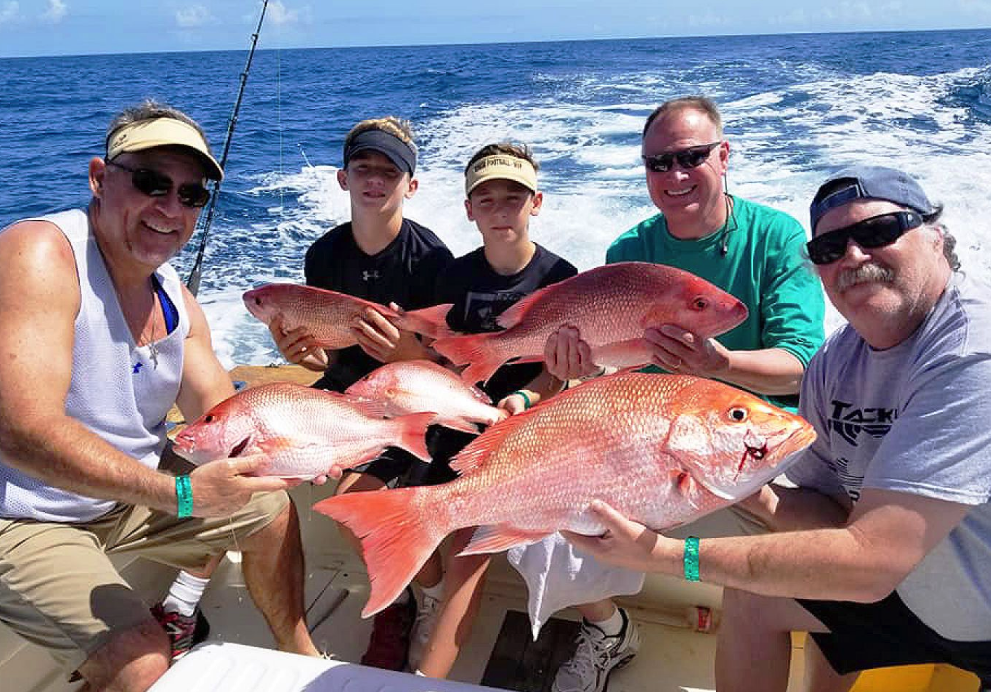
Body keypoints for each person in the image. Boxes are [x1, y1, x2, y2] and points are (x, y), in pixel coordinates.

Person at [564, 166, 991, 691]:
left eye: (879, 231)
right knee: (756, 596)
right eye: (829, 248)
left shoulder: (971, 352)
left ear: (935, 237)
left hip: (979, 625)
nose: (854, 256)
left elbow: (871, 560)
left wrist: (668, 556)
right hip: (907, 598)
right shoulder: (836, 362)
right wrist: (743, 488)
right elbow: (830, 516)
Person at [0, 100, 330, 692]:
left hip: (118, 498)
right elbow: (24, 434)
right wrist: (181, 494)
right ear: (99, 179)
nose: (171, 208)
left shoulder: (175, 297)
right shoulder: (37, 258)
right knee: (144, 658)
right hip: (5, 514)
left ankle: (301, 657)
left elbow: (224, 416)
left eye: (191, 194)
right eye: (151, 182)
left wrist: (305, 445)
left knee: (269, 509)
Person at [536, 95, 826, 692]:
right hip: (654, 442)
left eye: (691, 157)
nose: (675, 175)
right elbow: (620, 378)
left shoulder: (777, 237)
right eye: (658, 163)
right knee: (543, 518)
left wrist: (721, 363)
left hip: (752, 449)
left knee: (768, 578)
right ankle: (607, 629)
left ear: (724, 155)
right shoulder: (629, 252)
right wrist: (578, 366)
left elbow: (801, 366)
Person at [269, 116, 454, 671]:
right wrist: (302, 354)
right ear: (342, 178)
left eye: (389, 172)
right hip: (346, 391)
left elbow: (448, 367)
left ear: (410, 185)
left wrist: (403, 354)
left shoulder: (433, 260)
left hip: (411, 400)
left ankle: (422, 597)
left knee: (358, 502)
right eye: (363, 168)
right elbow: (327, 359)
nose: (375, 180)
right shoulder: (323, 255)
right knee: (252, 449)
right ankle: (185, 599)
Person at [410, 142, 576, 678]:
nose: (500, 209)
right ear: (469, 210)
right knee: (401, 511)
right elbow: (439, 356)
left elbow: (560, 372)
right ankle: (429, 599)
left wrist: (523, 398)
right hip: (458, 422)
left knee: (466, 543)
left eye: (513, 197)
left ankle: (426, 679)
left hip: (530, 430)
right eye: (486, 199)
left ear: (536, 202)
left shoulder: (563, 277)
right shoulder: (452, 278)